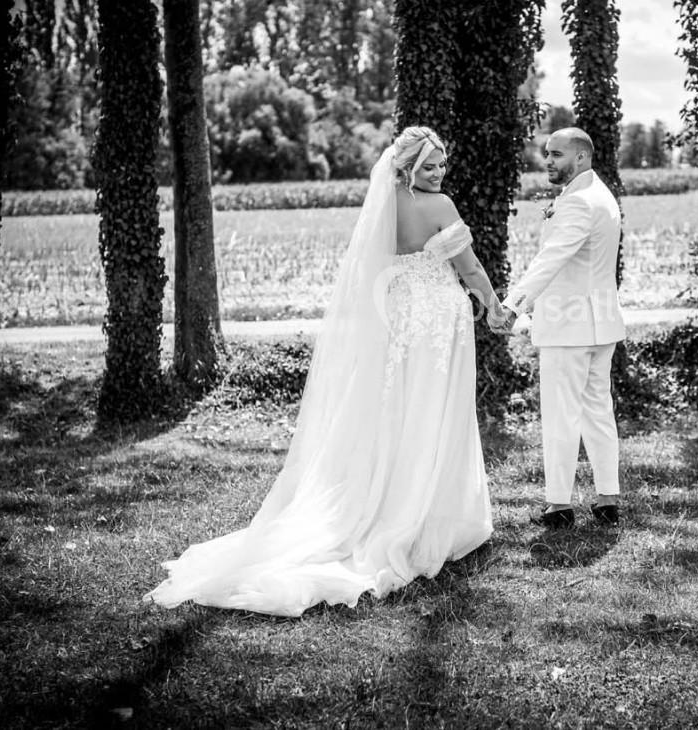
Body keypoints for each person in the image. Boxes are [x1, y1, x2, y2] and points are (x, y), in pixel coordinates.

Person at [145, 126, 509, 615]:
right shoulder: (440, 207)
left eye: (442, 165)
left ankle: (394, 498)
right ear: (406, 169)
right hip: (437, 325)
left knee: (397, 411)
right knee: (433, 412)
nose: (439, 173)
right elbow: (469, 269)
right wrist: (494, 305)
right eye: (429, 166)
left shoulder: (385, 206)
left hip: (398, 320)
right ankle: (425, 517)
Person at [490, 127, 627, 528]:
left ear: (581, 158)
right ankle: (607, 498)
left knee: (561, 414)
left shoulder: (579, 203)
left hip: (570, 327)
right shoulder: (601, 195)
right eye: (547, 153)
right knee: (598, 411)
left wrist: (513, 305)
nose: (547, 160)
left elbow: (551, 259)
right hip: (599, 324)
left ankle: (558, 505)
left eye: (557, 154)